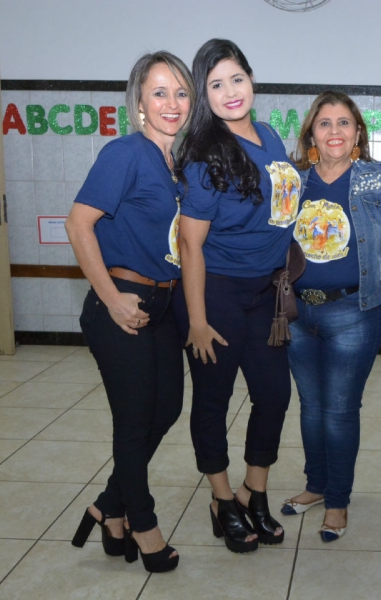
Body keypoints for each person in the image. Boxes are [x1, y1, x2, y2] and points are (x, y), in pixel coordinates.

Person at [67, 51, 194, 574]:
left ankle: (109, 507)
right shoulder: (124, 153)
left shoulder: (173, 163)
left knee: (165, 411)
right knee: (134, 420)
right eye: (159, 92)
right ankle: (143, 525)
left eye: (181, 92)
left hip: (163, 304)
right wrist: (112, 297)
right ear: (139, 101)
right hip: (122, 299)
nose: (172, 103)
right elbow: (78, 224)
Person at [173, 38, 299, 553]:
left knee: (274, 395)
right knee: (214, 399)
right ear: (204, 95)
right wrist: (197, 321)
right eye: (216, 84)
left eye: (237, 79)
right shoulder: (205, 155)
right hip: (217, 293)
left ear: (252, 79)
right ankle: (222, 500)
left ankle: (254, 492)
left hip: (266, 293)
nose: (230, 92)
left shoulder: (269, 135)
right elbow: (190, 244)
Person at [280, 91, 381, 542]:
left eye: (344, 122)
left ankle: (338, 501)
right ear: (311, 132)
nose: (334, 131)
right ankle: (316, 485)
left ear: (358, 132)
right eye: (324, 123)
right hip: (297, 312)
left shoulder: (376, 179)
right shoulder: (294, 181)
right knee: (311, 407)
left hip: (354, 313)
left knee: (340, 410)